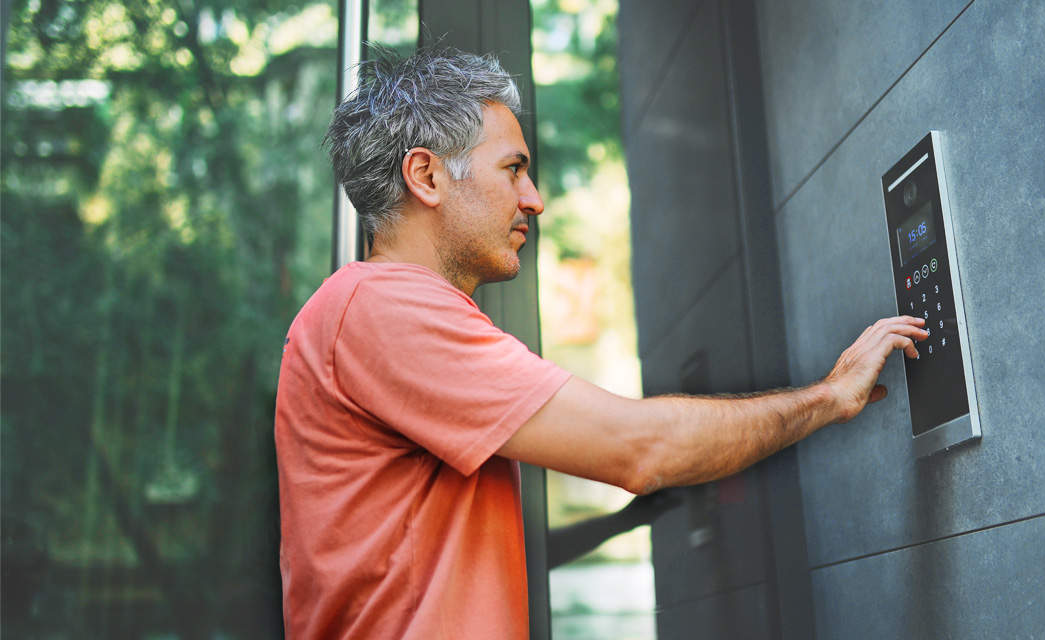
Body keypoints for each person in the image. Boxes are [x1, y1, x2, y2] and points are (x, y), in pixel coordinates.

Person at [274, 46, 928, 639]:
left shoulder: (381, 315)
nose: (534, 199)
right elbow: (640, 449)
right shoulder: (383, 310)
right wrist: (830, 396)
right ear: (427, 176)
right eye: (513, 169)